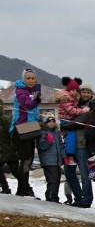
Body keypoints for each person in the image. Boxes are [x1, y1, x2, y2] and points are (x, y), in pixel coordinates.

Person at [61, 81, 95, 207]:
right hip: (70, 144)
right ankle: (78, 197)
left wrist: (64, 125)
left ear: (91, 94)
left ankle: (87, 199)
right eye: (83, 92)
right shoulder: (74, 103)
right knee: (69, 173)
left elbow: (80, 121)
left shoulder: (92, 107)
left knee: (84, 175)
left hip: (82, 145)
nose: (86, 94)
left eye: (88, 92)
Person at [9, 68, 42, 197]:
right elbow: (27, 104)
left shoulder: (33, 91)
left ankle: (23, 188)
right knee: (26, 160)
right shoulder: (21, 91)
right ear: (24, 79)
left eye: (33, 78)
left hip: (31, 127)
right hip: (21, 128)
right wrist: (37, 99)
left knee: (29, 160)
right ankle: (23, 189)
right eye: (28, 78)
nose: (31, 80)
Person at [54, 76, 87, 167]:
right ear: (68, 90)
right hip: (65, 120)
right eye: (72, 90)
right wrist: (82, 110)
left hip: (68, 119)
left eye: (76, 90)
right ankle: (69, 156)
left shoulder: (73, 98)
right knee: (71, 136)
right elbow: (71, 110)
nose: (75, 92)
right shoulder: (65, 98)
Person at [36, 113, 65, 203]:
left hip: (56, 160)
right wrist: (48, 141)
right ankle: (51, 196)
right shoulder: (42, 133)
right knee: (53, 179)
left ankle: (54, 196)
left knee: (57, 179)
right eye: (49, 121)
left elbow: (60, 145)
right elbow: (41, 147)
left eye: (53, 121)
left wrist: (64, 156)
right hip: (48, 160)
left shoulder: (56, 133)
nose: (52, 123)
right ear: (45, 123)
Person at [0, 100, 19, 194]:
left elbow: (13, 133)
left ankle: (26, 188)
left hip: (9, 150)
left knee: (15, 171)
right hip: (1, 151)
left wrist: (13, 147)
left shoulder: (4, 119)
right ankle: (5, 187)